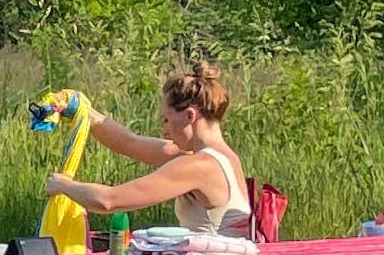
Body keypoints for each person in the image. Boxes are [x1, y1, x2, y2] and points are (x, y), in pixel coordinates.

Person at [45, 60, 255, 235]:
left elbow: (108, 201)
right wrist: (84, 110)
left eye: (165, 119)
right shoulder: (223, 157)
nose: (164, 130)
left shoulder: (199, 165)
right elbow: (129, 143)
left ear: (190, 116)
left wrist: (63, 185)